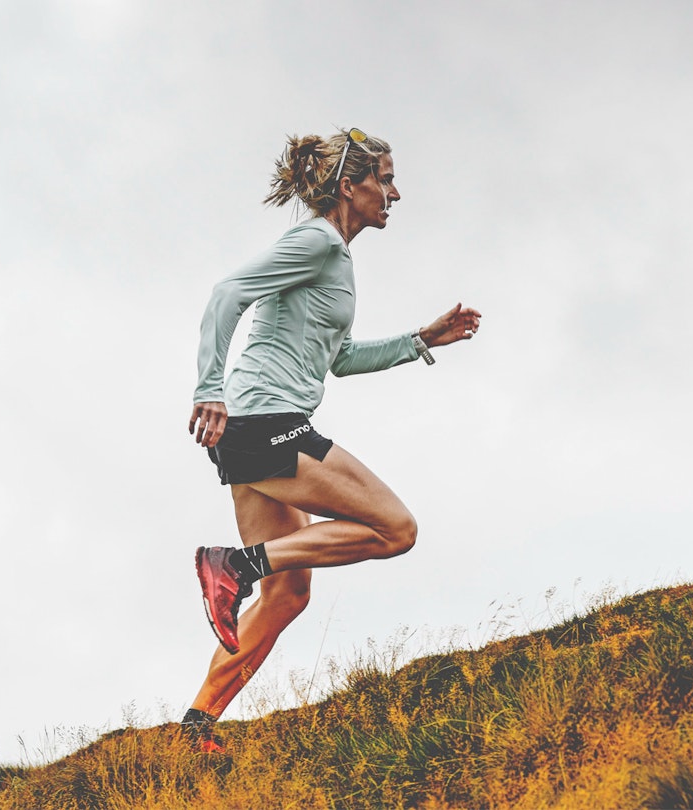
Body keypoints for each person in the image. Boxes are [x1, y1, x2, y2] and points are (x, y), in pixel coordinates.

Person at [180, 127, 481, 753]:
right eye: (386, 179)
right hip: (264, 418)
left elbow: (339, 358)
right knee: (396, 529)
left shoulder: (335, 259)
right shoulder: (317, 241)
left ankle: (197, 724)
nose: (395, 193)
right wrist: (209, 387)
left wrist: (420, 341)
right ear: (350, 186)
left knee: (290, 591)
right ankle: (233, 566)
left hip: (250, 427)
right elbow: (226, 294)